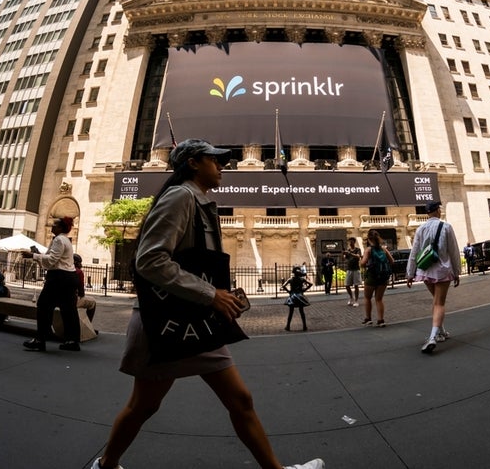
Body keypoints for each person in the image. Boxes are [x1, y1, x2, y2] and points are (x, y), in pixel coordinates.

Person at [92, 139, 324, 469]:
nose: (221, 165)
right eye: (213, 160)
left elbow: (194, 264)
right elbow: (150, 260)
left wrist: (221, 293)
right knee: (143, 406)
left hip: (194, 321)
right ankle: (106, 465)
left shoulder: (199, 201)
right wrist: (211, 294)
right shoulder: (180, 196)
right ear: (193, 163)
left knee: (239, 400)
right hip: (168, 323)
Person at [406, 201, 460, 354]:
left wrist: (410, 273)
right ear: (437, 211)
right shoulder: (446, 227)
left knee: (436, 301)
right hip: (442, 270)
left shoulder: (420, 229)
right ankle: (432, 337)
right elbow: (454, 251)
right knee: (439, 303)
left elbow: (414, 252)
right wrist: (457, 272)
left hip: (425, 270)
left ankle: (441, 332)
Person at [22, 216, 81, 351]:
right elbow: (51, 259)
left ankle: (41, 339)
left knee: (43, 306)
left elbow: (51, 260)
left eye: (55, 225)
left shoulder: (59, 240)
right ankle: (72, 340)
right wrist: (38, 256)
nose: (52, 226)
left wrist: (33, 255)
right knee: (69, 310)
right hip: (69, 277)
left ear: (60, 227)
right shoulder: (65, 240)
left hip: (59, 277)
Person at [360, 229, 394, 328]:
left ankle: (368, 318)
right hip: (383, 277)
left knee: (367, 297)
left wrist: (361, 261)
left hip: (372, 276)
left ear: (369, 239)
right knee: (379, 299)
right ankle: (380, 320)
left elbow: (363, 263)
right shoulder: (384, 249)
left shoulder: (368, 250)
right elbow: (392, 261)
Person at [282, 265, 312, 331]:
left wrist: (289, 292)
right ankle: (304, 326)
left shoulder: (290, 279)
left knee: (291, 312)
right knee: (301, 312)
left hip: (293, 296)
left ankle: (288, 326)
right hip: (300, 296)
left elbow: (283, 286)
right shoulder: (302, 279)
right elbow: (310, 284)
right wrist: (304, 290)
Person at [74, 253, 96, 323]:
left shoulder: (62, 268)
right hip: (72, 300)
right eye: (79, 262)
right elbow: (81, 292)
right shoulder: (78, 272)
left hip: (58, 300)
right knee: (93, 302)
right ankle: (88, 324)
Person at [342, 237, 362, 306]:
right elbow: (343, 259)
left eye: (351, 241)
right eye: (349, 242)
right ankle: (351, 297)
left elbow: (358, 257)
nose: (350, 243)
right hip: (349, 269)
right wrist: (343, 254)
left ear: (354, 242)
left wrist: (349, 253)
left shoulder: (357, 249)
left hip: (356, 269)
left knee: (356, 285)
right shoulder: (348, 250)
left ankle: (356, 300)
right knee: (347, 285)